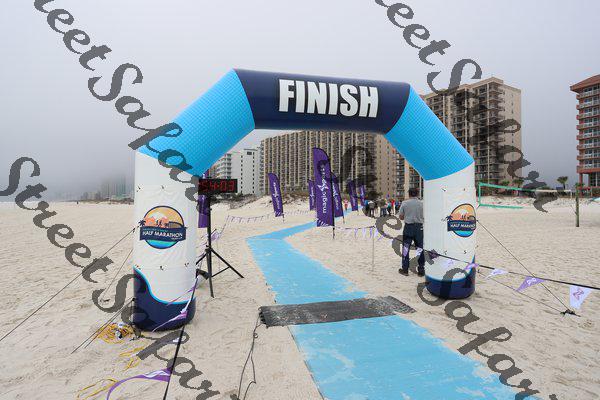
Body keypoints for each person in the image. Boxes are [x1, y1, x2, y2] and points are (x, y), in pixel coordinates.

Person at [398, 187, 425, 277]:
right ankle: (421, 270)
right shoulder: (422, 203)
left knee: (406, 248)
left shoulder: (405, 203)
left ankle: (405, 269)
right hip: (419, 227)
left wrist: (408, 215)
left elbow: (401, 217)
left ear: (409, 194)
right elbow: (425, 216)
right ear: (417, 194)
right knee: (420, 248)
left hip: (408, 227)